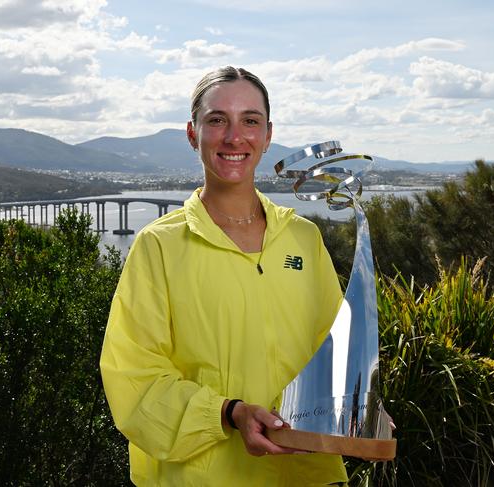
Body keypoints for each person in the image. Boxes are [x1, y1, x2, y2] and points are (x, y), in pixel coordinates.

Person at [100, 66, 348, 486]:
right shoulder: (158, 247)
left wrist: (359, 405)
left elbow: (334, 352)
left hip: (306, 475)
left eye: (250, 121)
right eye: (217, 120)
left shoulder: (303, 239)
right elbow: (134, 376)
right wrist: (229, 412)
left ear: (268, 135)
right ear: (193, 134)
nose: (235, 137)